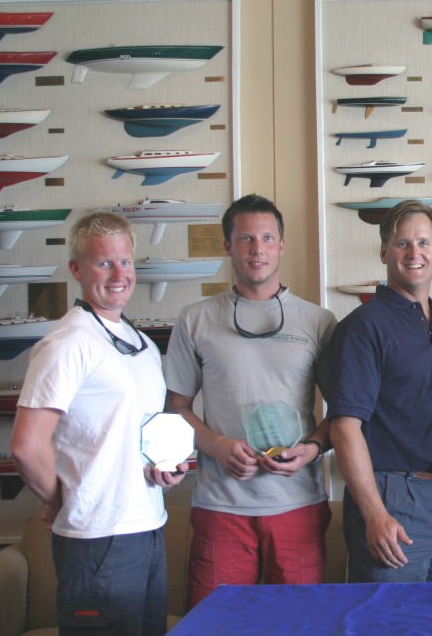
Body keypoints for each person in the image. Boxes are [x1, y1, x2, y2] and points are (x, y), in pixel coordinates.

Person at [10, 211, 187, 635]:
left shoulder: (139, 343)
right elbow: (25, 446)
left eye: (125, 261)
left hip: (147, 525)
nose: (119, 274)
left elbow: (131, 433)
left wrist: (164, 468)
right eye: (104, 262)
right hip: (96, 538)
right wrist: (60, 501)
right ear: (77, 269)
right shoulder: (68, 344)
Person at [164, 194, 337, 607]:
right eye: (245, 239)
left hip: (297, 503)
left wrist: (311, 450)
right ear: (227, 245)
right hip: (221, 506)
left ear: (281, 244)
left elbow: (344, 415)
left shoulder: (318, 321)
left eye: (266, 238)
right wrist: (216, 446)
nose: (256, 249)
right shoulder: (195, 319)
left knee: (302, 624)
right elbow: (176, 409)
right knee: (216, 624)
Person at [319, 201, 432, 582]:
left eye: (424, 243)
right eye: (403, 244)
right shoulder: (364, 328)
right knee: (390, 619)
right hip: (393, 497)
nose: (415, 253)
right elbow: (344, 428)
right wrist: (375, 513)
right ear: (384, 252)